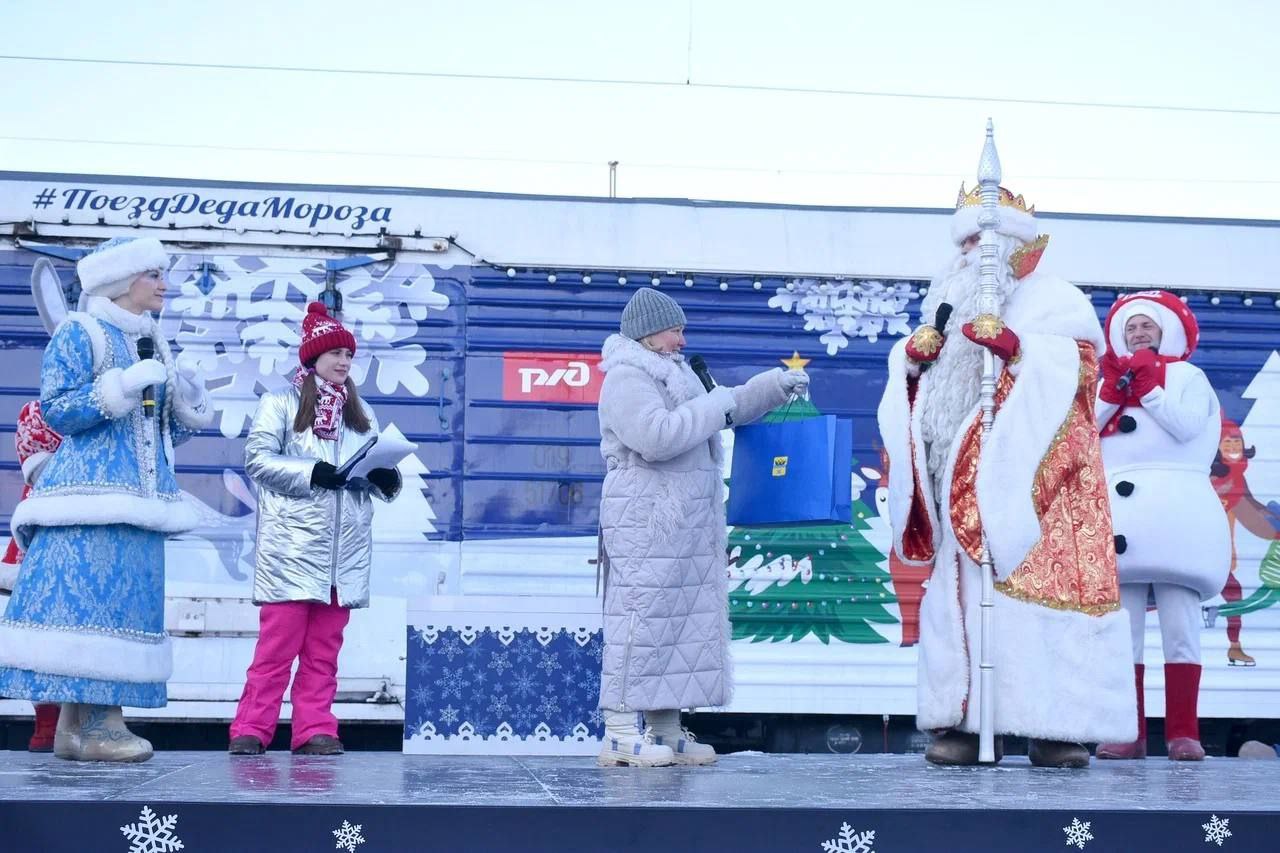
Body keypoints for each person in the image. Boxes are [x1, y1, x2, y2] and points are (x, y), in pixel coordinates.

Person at [876, 185, 1135, 768]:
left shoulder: (1054, 301)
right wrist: (913, 365)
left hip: (1038, 488)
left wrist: (1019, 351)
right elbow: (924, 401)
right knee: (963, 604)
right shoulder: (945, 304)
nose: (970, 250)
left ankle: (1056, 728)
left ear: (1014, 244)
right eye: (963, 239)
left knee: (1033, 608)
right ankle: (964, 724)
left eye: (981, 238)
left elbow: (1079, 378)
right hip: (957, 481)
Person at [0, 236, 211, 762]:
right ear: (122, 281)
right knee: (98, 607)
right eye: (153, 274)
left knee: (122, 603)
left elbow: (159, 432)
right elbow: (59, 410)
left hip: (141, 497)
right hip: (90, 496)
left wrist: (187, 399)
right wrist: (119, 387)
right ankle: (101, 723)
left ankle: (73, 728)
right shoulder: (82, 331)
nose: (164, 283)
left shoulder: (152, 339)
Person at [595, 287, 807, 766]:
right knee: (640, 620)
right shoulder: (627, 377)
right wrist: (717, 407)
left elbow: (722, 407)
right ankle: (620, 732)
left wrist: (773, 387)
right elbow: (657, 437)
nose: (682, 337)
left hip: (685, 524)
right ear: (651, 333)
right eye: (676, 328)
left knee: (678, 624)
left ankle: (666, 729)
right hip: (647, 520)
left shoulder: (677, 373)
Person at [228, 302, 402, 756]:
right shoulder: (280, 403)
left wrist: (385, 478)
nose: (344, 361)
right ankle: (251, 728)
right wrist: (313, 471)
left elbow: (368, 468)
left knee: (324, 653)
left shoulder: (360, 414)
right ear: (312, 358)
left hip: (341, 560)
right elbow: (257, 461)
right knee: (275, 651)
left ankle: (315, 729)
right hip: (292, 552)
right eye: (335, 353)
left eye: (349, 354)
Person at [1094, 290, 1231, 761]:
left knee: (1181, 629)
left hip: (1178, 521)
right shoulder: (1108, 380)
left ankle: (1183, 734)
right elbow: (1084, 431)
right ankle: (1125, 731)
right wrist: (1115, 394)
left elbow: (1188, 427)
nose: (1138, 333)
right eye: (1131, 327)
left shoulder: (1189, 377)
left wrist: (1150, 388)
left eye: (1146, 326)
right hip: (1123, 518)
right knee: (1121, 633)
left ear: (1165, 331)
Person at [0, 402, 64, 751]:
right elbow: (37, 464)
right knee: (42, 637)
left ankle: (60, 726)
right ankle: (47, 727)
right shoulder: (37, 412)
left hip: (71, 534)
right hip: (41, 536)